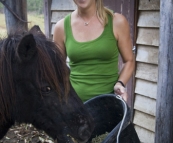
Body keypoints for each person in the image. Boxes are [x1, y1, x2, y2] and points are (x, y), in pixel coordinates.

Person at [53, 0, 135, 102]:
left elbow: (129, 61)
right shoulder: (61, 27)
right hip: (75, 106)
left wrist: (120, 83)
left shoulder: (117, 22)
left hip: (110, 104)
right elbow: (56, 69)